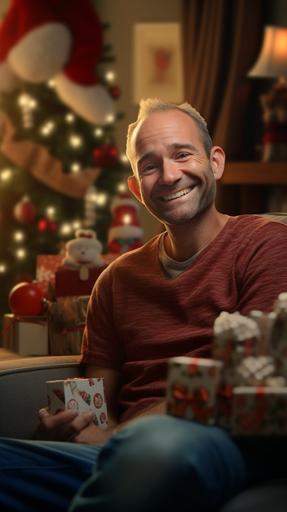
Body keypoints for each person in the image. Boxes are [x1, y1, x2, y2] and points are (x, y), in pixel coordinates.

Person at [1, 98, 287, 512]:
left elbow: (247, 390)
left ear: (216, 162)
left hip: (213, 439)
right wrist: (75, 425)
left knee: (152, 448)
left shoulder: (267, 246)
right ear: (136, 187)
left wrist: (119, 435)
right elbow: (98, 402)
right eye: (150, 166)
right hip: (118, 453)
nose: (169, 175)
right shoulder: (116, 279)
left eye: (182, 154)